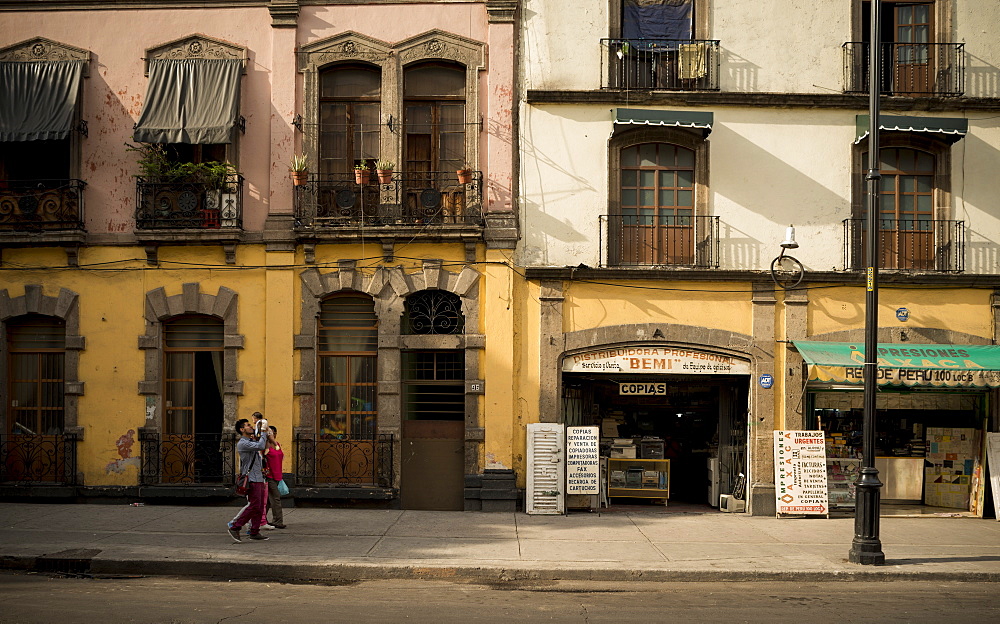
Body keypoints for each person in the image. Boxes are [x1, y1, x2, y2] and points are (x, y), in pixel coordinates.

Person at [227, 417, 272, 542]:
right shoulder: (243, 443)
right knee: (254, 505)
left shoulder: (251, 440)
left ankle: (254, 531)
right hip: (252, 478)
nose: (250, 426)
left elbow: (266, 445)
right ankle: (235, 526)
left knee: (259, 506)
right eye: (247, 425)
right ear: (242, 429)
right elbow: (261, 445)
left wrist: (266, 432)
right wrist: (262, 431)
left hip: (258, 476)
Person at [259, 425, 287, 529]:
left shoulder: (277, 444)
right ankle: (278, 520)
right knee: (275, 498)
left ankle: (260, 520)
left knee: (268, 500)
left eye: (274, 433)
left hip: (278, 475)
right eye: (270, 433)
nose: (273, 435)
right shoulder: (264, 447)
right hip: (269, 476)